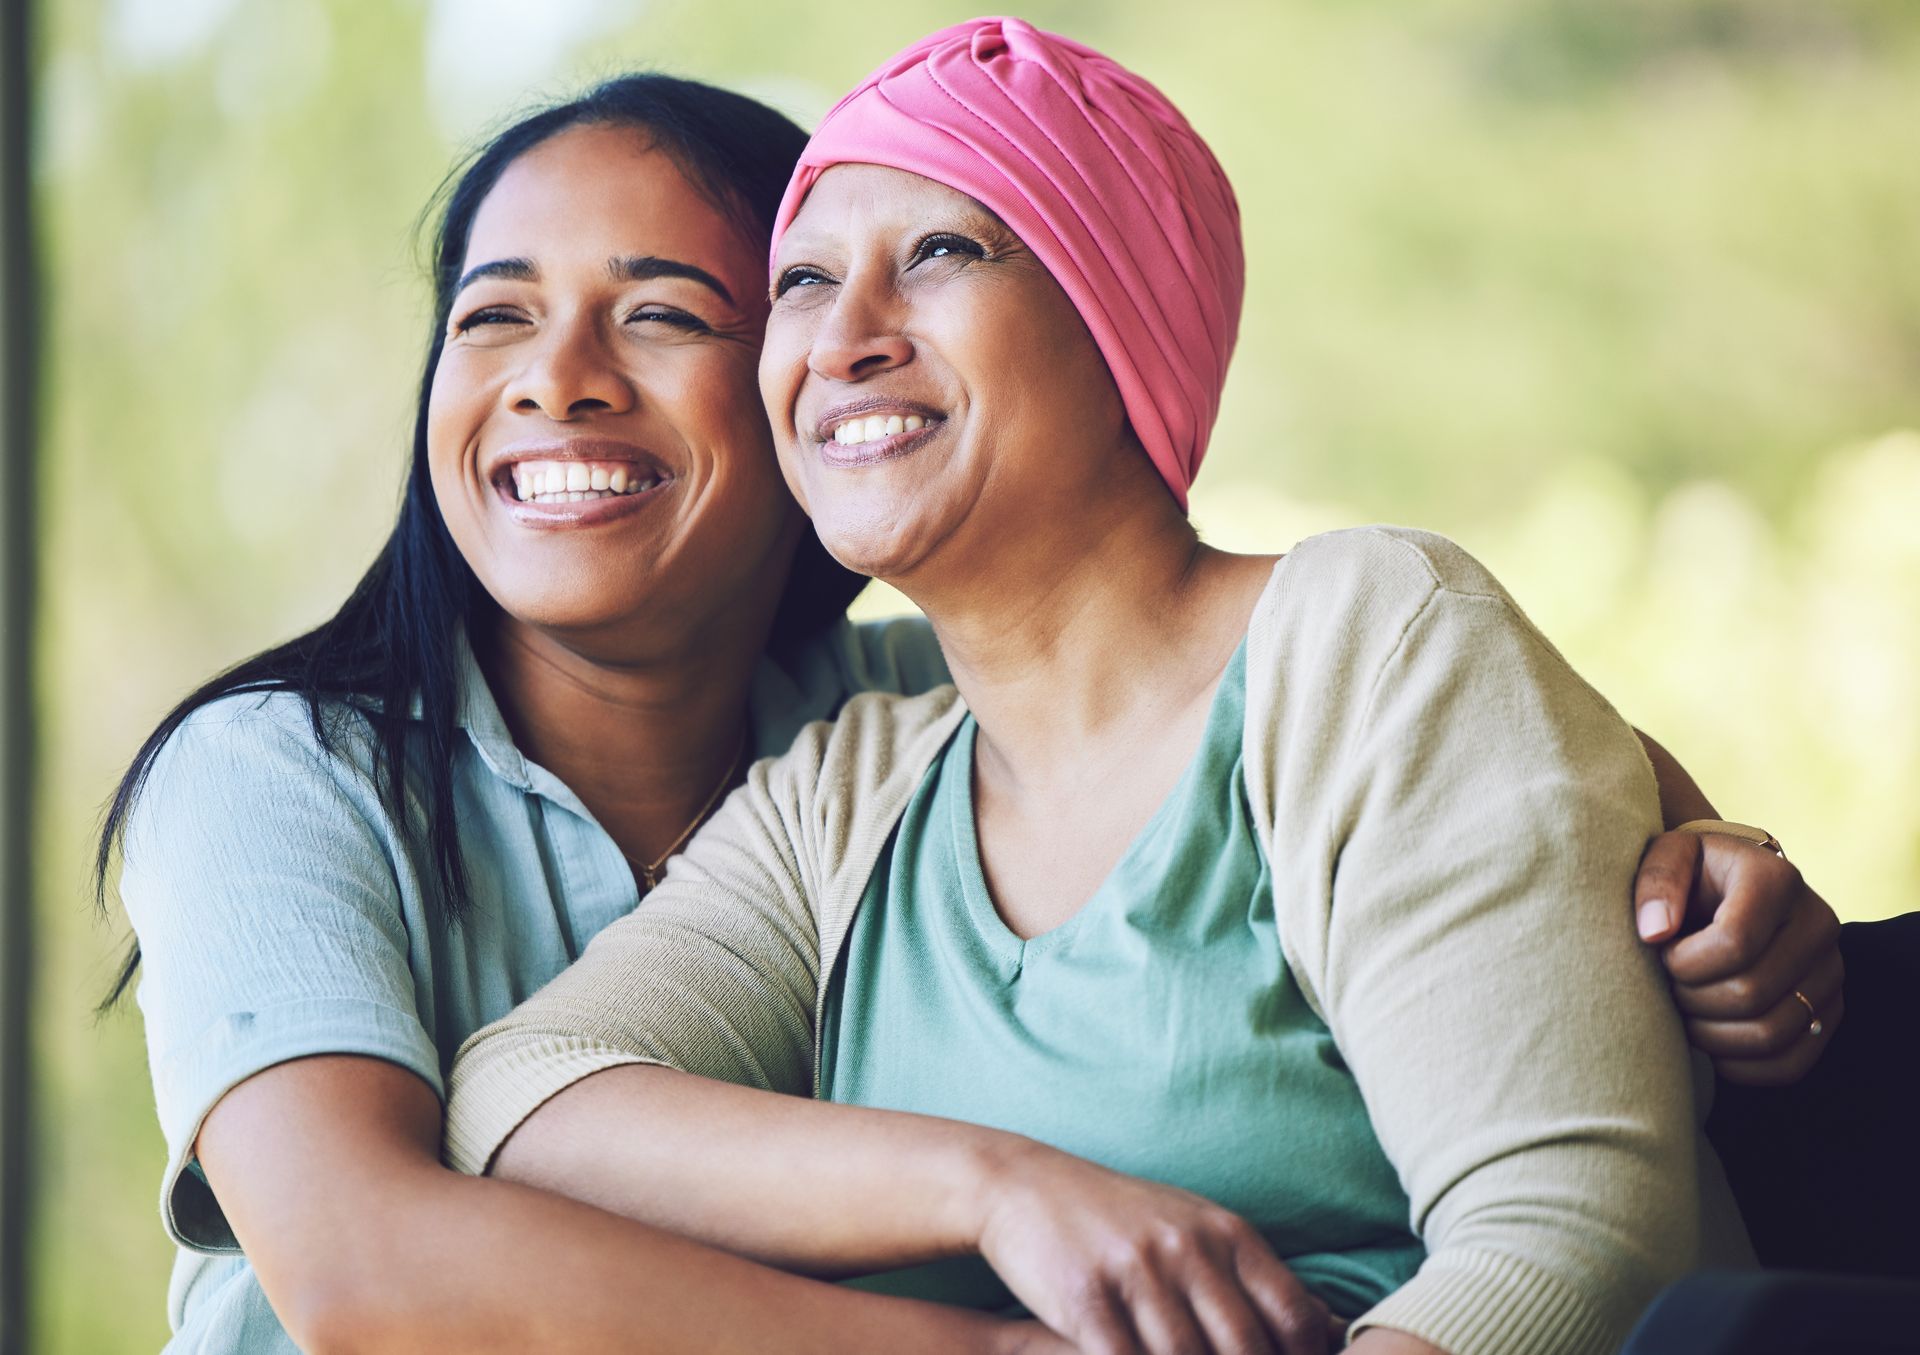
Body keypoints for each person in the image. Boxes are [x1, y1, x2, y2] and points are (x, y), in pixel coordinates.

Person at [106, 55, 1834, 1355]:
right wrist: (993, 1202)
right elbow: (380, 1247)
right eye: (802, 283)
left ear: (1120, 323)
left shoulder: (923, 703)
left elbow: (1416, 717)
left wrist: (1701, 859)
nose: (561, 376)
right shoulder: (828, 768)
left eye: (669, 309)